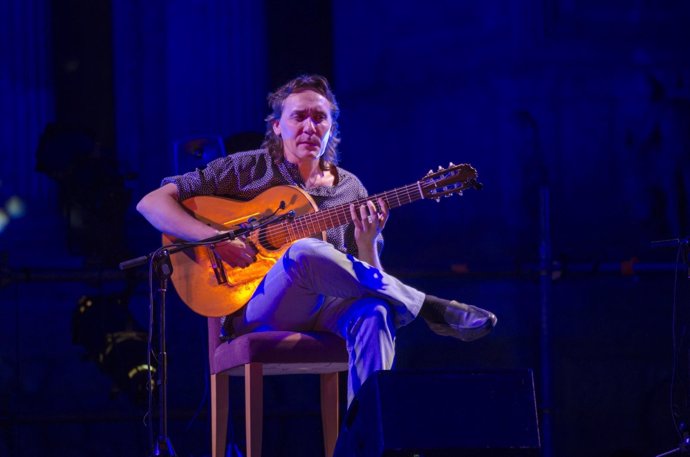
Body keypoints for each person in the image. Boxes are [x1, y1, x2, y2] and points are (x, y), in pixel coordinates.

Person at [136, 74, 497, 404]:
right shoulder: (247, 169)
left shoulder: (351, 189)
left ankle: (366, 440)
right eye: (299, 117)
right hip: (254, 308)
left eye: (320, 118)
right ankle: (428, 306)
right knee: (305, 250)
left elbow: (370, 280)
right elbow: (150, 203)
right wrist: (214, 238)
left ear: (331, 128)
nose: (310, 126)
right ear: (277, 126)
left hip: (325, 309)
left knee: (376, 311)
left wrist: (368, 240)